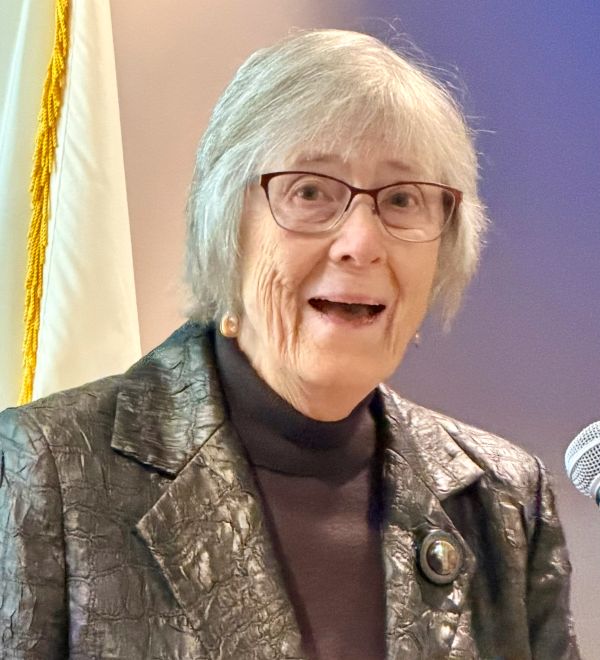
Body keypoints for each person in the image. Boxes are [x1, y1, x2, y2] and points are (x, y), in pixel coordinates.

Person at [0, 29, 579, 660]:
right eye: (310, 192)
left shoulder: (504, 499)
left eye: (402, 199)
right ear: (226, 223)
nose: (361, 243)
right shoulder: (48, 470)